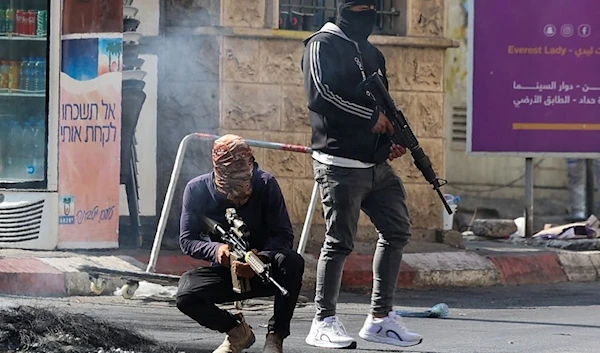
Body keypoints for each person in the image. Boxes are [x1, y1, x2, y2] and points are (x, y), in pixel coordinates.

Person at [300, 0, 423, 349]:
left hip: (376, 167)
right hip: (339, 164)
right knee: (339, 243)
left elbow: (384, 104)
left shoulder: (372, 53)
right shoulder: (320, 46)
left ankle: (381, 319)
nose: (366, 14)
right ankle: (323, 321)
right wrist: (371, 120)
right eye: (359, 7)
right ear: (342, 9)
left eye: (372, 7)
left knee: (397, 231)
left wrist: (392, 142)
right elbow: (320, 95)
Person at [175, 134, 305, 353]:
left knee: (292, 262)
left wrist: (262, 256)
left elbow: (284, 235)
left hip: (264, 271)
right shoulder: (197, 190)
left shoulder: (266, 184)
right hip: (226, 272)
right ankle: (236, 331)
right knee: (186, 294)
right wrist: (218, 252)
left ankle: (275, 337)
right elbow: (187, 239)